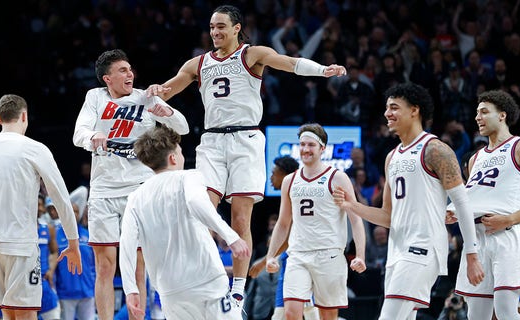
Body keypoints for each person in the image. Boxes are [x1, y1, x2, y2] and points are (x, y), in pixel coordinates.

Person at [146, 5, 347, 309]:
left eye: (222, 27)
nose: (215, 32)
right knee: (201, 211)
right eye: (212, 27)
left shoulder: (251, 54)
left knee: (241, 217)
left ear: (237, 28)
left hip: (246, 140)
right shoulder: (197, 63)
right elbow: (167, 90)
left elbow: (290, 63)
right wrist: (153, 93)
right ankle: (204, 278)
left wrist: (323, 70)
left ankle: (237, 291)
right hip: (212, 140)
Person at [333, 83, 484, 320]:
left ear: (414, 110)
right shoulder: (391, 157)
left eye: (394, 107)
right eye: (386, 108)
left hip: (423, 248)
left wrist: (472, 254)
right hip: (396, 252)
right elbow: (387, 216)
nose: (387, 114)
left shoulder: (435, 149)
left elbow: (463, 203)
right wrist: (351, 205)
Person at [73, 49, 189, 320]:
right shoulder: (95, 97)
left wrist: (166, 110)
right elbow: (79, 132)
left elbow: (182, 128)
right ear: (107, 79)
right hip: (103, 190)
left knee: (138, 265)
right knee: (105, 266)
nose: (130, 74)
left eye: (130, 69)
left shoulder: (146, 96)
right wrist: (93, 135)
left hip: (139, 188)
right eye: (122, 70)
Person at [0, 94, 82, 320]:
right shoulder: (34, 148)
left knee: (8, 313)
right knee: (26, 313)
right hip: (19, 243)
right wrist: (73, 241)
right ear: (24, 116)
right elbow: (60, 197)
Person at [118, 125, 250, 320]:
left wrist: (130, 289)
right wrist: (231, 237)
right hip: (207, 280)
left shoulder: (135, 197)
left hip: (170, 291)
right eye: (179, 152)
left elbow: (126, 245)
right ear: (172, 158)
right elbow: (196, 202)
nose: (181, 157)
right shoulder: (189, 176)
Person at [447, 90, 520, 320]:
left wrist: (510, 219)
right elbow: (476, 196)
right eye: (476, 113)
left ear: (502, 115)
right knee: (476, 316)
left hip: (508, 233)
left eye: (484, 112)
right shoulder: (475, 158)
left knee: (506, 314)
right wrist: (454, 212)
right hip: (477, 240)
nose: (477, 117)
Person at [264, 123, 366, 320]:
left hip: (328, 255)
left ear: (322, 148)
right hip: (298, 255)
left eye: (311, 145)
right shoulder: (290, 181)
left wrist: (360, 255)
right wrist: (271, 256)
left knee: (327, 316)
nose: (305, 149)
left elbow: (356, 219)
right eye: (302, 144)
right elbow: (283, 223)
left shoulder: (338, 178)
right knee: (291, 313)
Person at [248, 155, 320, 320]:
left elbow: (289, 238)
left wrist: (265, 260)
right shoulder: (289, 193)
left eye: (274, 173)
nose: (271, 177)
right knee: (280, 314)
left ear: (286, 175)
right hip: (290, 257)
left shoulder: (299, 193)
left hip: (304, 256)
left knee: (309, 309)